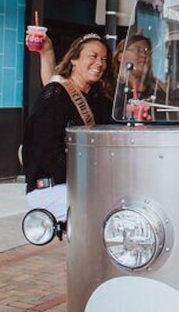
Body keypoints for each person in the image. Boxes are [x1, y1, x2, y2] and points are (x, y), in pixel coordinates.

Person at [23, 34, 115, 221]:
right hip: (52, 186)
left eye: (104, 59)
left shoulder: (99, 99)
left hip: (85, 184)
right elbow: (45, 150)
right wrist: (87, 176)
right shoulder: (55, 93)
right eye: (93, 56)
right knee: (106, 213)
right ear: (73, 59)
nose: (99, 63)